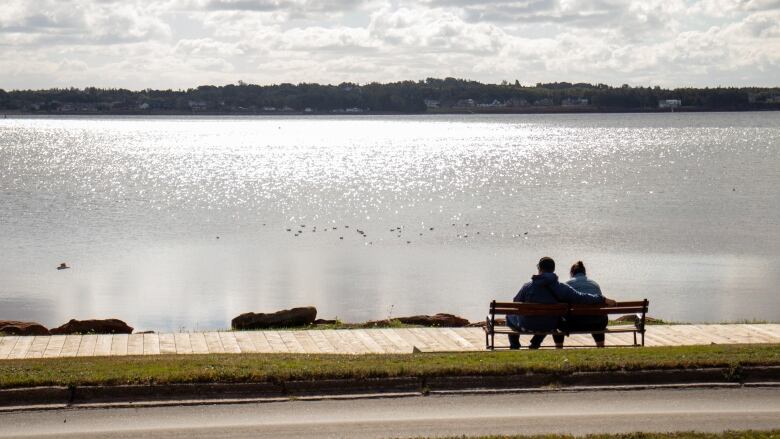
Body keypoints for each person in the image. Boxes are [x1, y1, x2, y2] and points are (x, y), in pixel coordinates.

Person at [507, 256, 616, 349]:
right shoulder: (561, 287)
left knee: (508, 315)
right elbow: (581, 297)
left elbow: (515, 303)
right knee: (549, 317)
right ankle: (536, 343)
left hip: (526, 325)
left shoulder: (528, 286)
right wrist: (602, 299)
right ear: (553, 269)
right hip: (549, 326)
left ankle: (515, 345)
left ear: (539, 269)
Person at [565, 261, 609, 348]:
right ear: (584, 272)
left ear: (572, 273)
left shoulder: (567, 285)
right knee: (597, 317)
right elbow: (600, 302)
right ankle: (600, 346)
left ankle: (559, 347)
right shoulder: (594, 284)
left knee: (558, 317)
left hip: (575, 324)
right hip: (597, 324)